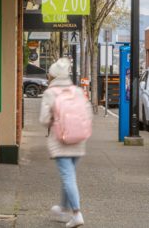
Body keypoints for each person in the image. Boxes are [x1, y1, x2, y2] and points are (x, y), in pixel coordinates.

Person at [39, 58, 93, 228]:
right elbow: (88, 113)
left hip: (61, 142)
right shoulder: (76, 91)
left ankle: (77, 213)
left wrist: (54, 120)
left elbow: (44, 119)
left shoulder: (50, 93)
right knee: (68, 175)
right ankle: (63, 208)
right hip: (78, 140)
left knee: (68, 176)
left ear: (53, 76)